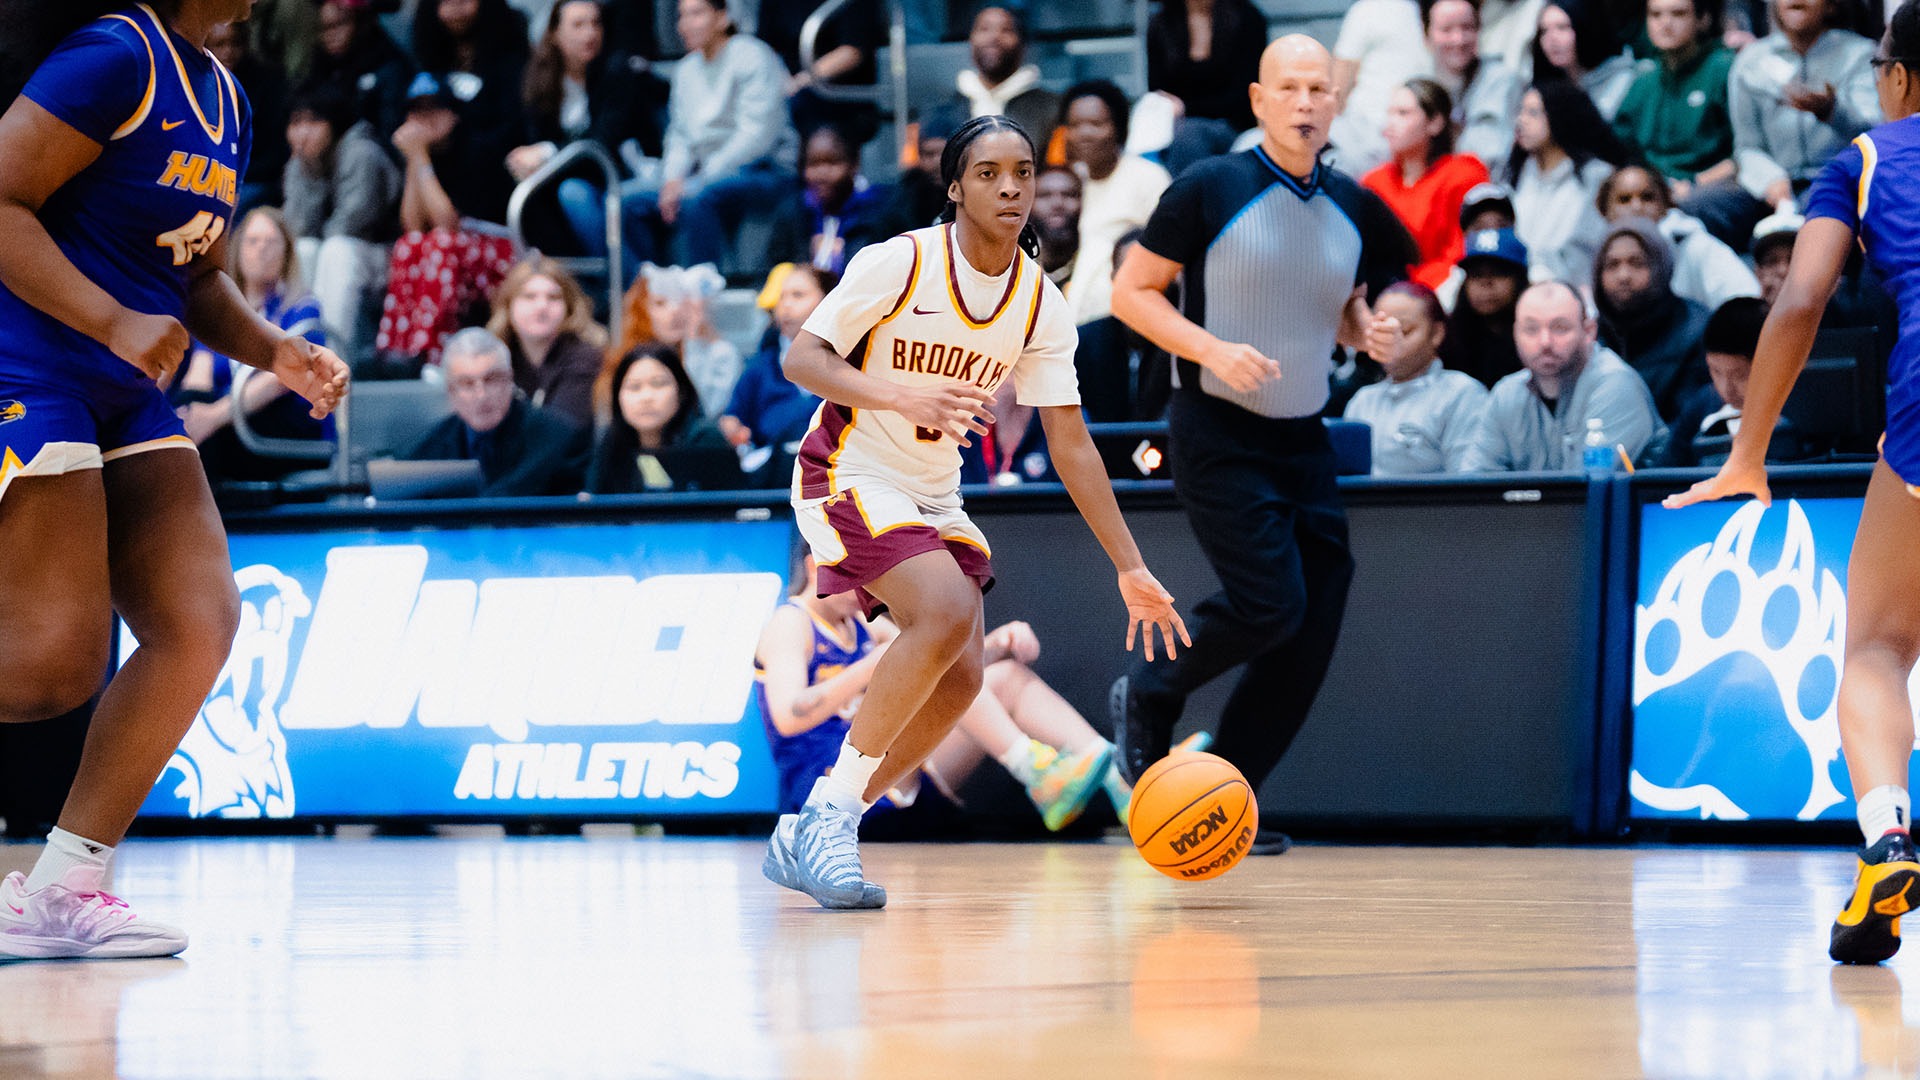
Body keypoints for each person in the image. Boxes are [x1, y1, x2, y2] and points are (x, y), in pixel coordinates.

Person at [766, 113, 1188, 910]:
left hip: (931, 488)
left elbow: (1072, 446)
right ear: (955, 187)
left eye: (1023, 173)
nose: (1011, 188)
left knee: (961, 682)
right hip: (848, 467)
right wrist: (900, 392)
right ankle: (826, 819)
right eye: (989, 173)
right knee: (949, 606)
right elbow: (802, 358)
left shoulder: (1039, 303)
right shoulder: (900, 261)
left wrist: (1131, 566)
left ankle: (823, 823)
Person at [0, 0, 348, 960]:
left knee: (200, 622)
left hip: (122, 384)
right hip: (28, 363)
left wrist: (274, 349)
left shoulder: (225, 93)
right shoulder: (114, 54)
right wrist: (112, 319)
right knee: (55, 665)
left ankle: (61, 885)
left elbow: (194, 278)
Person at [1108, 37, 1413, 855]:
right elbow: (1129, 294)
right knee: (1270, 602)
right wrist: (1210, 348)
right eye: (1290, 88)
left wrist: (1363, 329)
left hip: (1303, 435)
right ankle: (1151, 688)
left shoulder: (1352, 202)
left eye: (1319, 87)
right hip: (1216, 430)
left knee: (1311, 623)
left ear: (1335, 101)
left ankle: (1224, 798)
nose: (1306, 102)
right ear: (1258, 100)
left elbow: (1335, 301)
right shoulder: (1209, 188)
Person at [1665, 2, 1920, 966]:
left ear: (1892, 78)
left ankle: (1889, 835)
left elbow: (1801, 297)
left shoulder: (1866, 157)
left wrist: (1749, 450)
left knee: (1879, 648)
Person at [756, 556, 1125, 833]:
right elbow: (788, 717)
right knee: (944, 684)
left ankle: (1118, 779)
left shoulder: (857, 622)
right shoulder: (791, 622)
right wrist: (868, 668)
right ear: (816, 563)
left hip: (894, 778)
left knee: (1003, 677)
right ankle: (1035, 771)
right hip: (830, 789)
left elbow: (947, 663)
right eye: (855, 579)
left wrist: (997, 643)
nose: (865, 592)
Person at [558, 0, 795, 275]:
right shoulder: (686, 70)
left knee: (697, 196)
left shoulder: (753, 55)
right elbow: (679, 135)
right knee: (622, 201)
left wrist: (699, 178)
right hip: (701, 172)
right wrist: (672, 178)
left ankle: (701, 293)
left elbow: (757, 137)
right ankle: (652, 287)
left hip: (764, 169)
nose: (685, 25)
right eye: (681, 16)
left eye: (696, 14)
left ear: (722, 18)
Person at [170, 207, 335, 483]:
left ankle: (201, 518)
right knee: (185, 411)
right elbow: (199, 378)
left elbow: (280, 381)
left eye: (270, 242)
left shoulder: (301, 309)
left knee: (208, 433)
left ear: (286, 252)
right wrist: (184, 415)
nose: (261, 250)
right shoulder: (221, 313)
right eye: (253, 241)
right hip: (234, 426)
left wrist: (213, 416)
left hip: (286, 430)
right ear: (238, 250)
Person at [372, 73, 521, 370]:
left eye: (433, 110)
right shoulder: (423, 154)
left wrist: (420, 157)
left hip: (502, 253)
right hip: (458, 252)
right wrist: (416, 160)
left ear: (452, 115)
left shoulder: (476, 149)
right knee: (409, 245)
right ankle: (398, 351)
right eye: (416, 111)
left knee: (441, 243)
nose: (423, 120)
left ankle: (432, 355)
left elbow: (447, 223)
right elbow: (413, 225)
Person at [1459, 280, 1667, 470]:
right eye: (1531, 329)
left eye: (1560, 328)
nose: (1545, 342)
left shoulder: (1616, 385)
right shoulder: (1506, 394)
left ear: (1589, 331)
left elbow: (1588, 496)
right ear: (1515, 333)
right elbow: (1474, 486)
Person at [282, 79, 401, 362]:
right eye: (296, 123)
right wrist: (307, 172)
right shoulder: (301, 162)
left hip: (387, 255)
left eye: (313, 122)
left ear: (333, 123)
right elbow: (295, 229)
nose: (303, 132)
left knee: (336, 252)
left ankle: (330, 357)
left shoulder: (362, 151)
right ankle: (300, 350)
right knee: (305, 249)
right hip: (340, 253)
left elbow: (353, 224)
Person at [1613, 0, 1749, 246]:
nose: (1665, 24)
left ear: (1702, 19)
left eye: (1678, 14)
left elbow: (1745, 154)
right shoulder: (1644, 79)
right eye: (1655, 15)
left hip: (1709, 187)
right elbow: (1622, 150)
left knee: (1686, 207)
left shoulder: (1724, 68)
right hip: (1653, 188)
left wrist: (1694, 184)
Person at [1730, 0, 1880, 218]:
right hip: (1773, 183)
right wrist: (1769, 179)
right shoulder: (1750, 60)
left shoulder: (1859, 54)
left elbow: (1875, 131)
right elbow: (1747, 147)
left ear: (1830, 5)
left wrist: (1832, 111)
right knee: (1704, 206)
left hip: (1838, 178)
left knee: (1813, 205)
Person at [404, 327, 588, 495]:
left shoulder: (556, 438)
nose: (481, 395)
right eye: (467, 384)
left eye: (492, 379)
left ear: (510, 380)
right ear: (451, 393)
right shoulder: (428, 448)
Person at [1059, 80, 1172, 329]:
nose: (1084, 134)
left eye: (1096, 124)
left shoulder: (1147, 176)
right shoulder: (1069, 180)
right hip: (1072, 310)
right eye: (1075, 125)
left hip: (1123, 315)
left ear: (1118, 128)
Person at [1344, 281, 1489, 473]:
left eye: (1404, 331)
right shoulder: (1362, 401)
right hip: (1363, 503)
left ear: (1436, 333)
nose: (1390, 340)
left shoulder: (1463, 394)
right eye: (1380, 330)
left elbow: (1467, 485)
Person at [1362, 78, 1491, 290]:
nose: (1390, 123)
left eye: (1403, 114)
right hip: (1383, 294)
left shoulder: (1463, 174)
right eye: (1390, 113)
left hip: (1442, 293)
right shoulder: (1374, 182)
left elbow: (1461, 252)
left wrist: (1408, 289)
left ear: (1435, 123)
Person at [1657, 295, 1811, 465]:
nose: (1726, 388)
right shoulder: (1704, 403)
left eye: (1740, 375)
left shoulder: (1802, 407)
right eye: (1716, 372)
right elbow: (1667, 470)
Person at [1508, 80, 1628, 285]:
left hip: (1570, 285)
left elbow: (1587, 249)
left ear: (1559, 116)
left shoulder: (1597, 177)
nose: (1521, 121)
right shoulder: (1517, 172)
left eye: (1533, 113)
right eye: (1521, 111)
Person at [1597, 163, 1762, 310]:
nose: (1637, 206)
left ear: (1666, 204)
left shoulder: (1694, 244)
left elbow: (1744, 297)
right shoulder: (1597, 254)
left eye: (1647, 197)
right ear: (1605, 210)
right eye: (1624, 200)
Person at [1592, 219, 1711, 418]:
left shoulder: (1696, 328)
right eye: (1612, 265)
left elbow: (1692, 419)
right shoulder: (1590, 337)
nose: (1623, 276)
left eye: (1636, 263)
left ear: (1660, 267)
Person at [719, 264, 831, 461]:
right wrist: (732, 430)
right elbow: (733, 419)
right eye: (781, 297)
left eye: (798, 295)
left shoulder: (856, 362)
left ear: (830, 300)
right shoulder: (760, 368)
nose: (785, 305)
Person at [585, 341, 730, 493]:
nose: (646, 397)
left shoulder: (704, 439)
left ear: (681, 392)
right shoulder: (611, 442)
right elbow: (593, 502)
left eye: (658, 384)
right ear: (617, 397)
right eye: (634, 387)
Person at [484, 255, 606, 430]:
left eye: (553, 297)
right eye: (529, 296)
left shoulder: (587, 359)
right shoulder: (494, 359)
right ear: (508, 306)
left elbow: (561, 431)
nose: (542, 306)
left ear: (569, 307)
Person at [1144, 0, 1266, 175]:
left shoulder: (1247, 17)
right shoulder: (1161, 23)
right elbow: (1159, 93)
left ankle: (1189, 201)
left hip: (1233, 125)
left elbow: (1245, 97)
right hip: (1175, 128)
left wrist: (1186, 107)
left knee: (1189, 137)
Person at [769, 124, 893, 275]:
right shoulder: (793, 212)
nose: (821, 173)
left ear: (854, 164)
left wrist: (842, 256)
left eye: (832, 163)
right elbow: (772, 270)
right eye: (813, 164)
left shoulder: (878, 211)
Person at [1329, 0, 1432, 175]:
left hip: (1417, 135)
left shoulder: (1421, 9)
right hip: (1370, 133)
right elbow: (1341, 74)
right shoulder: (1368, 9)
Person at [1423, 0, 1524, 175]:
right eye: (1447, 30)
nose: (1458, 40)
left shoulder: (1501, 79)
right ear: (1426, 35)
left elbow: (1490, 156)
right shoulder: (1421, 85)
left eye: (1467, 28)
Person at [947, 6, 1061, 154]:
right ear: (970, 40)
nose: (994, 37)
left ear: (1023, 44)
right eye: (984, 29)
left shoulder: (1051, 108)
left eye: (1006, 30)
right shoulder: (947, 108)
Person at [1443, 227, 1531, 387]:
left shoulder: (1539, 337)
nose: (1486, 283)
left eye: (1498, 272)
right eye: (1476, 274)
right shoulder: (1448, 339)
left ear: (1519, 280)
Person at [1532, 0, 1643, 120]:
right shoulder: (1547, 86)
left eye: (1562, 27)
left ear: (1584, 27)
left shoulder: (1623, 81)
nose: (1552, 39)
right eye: (1544, 31)